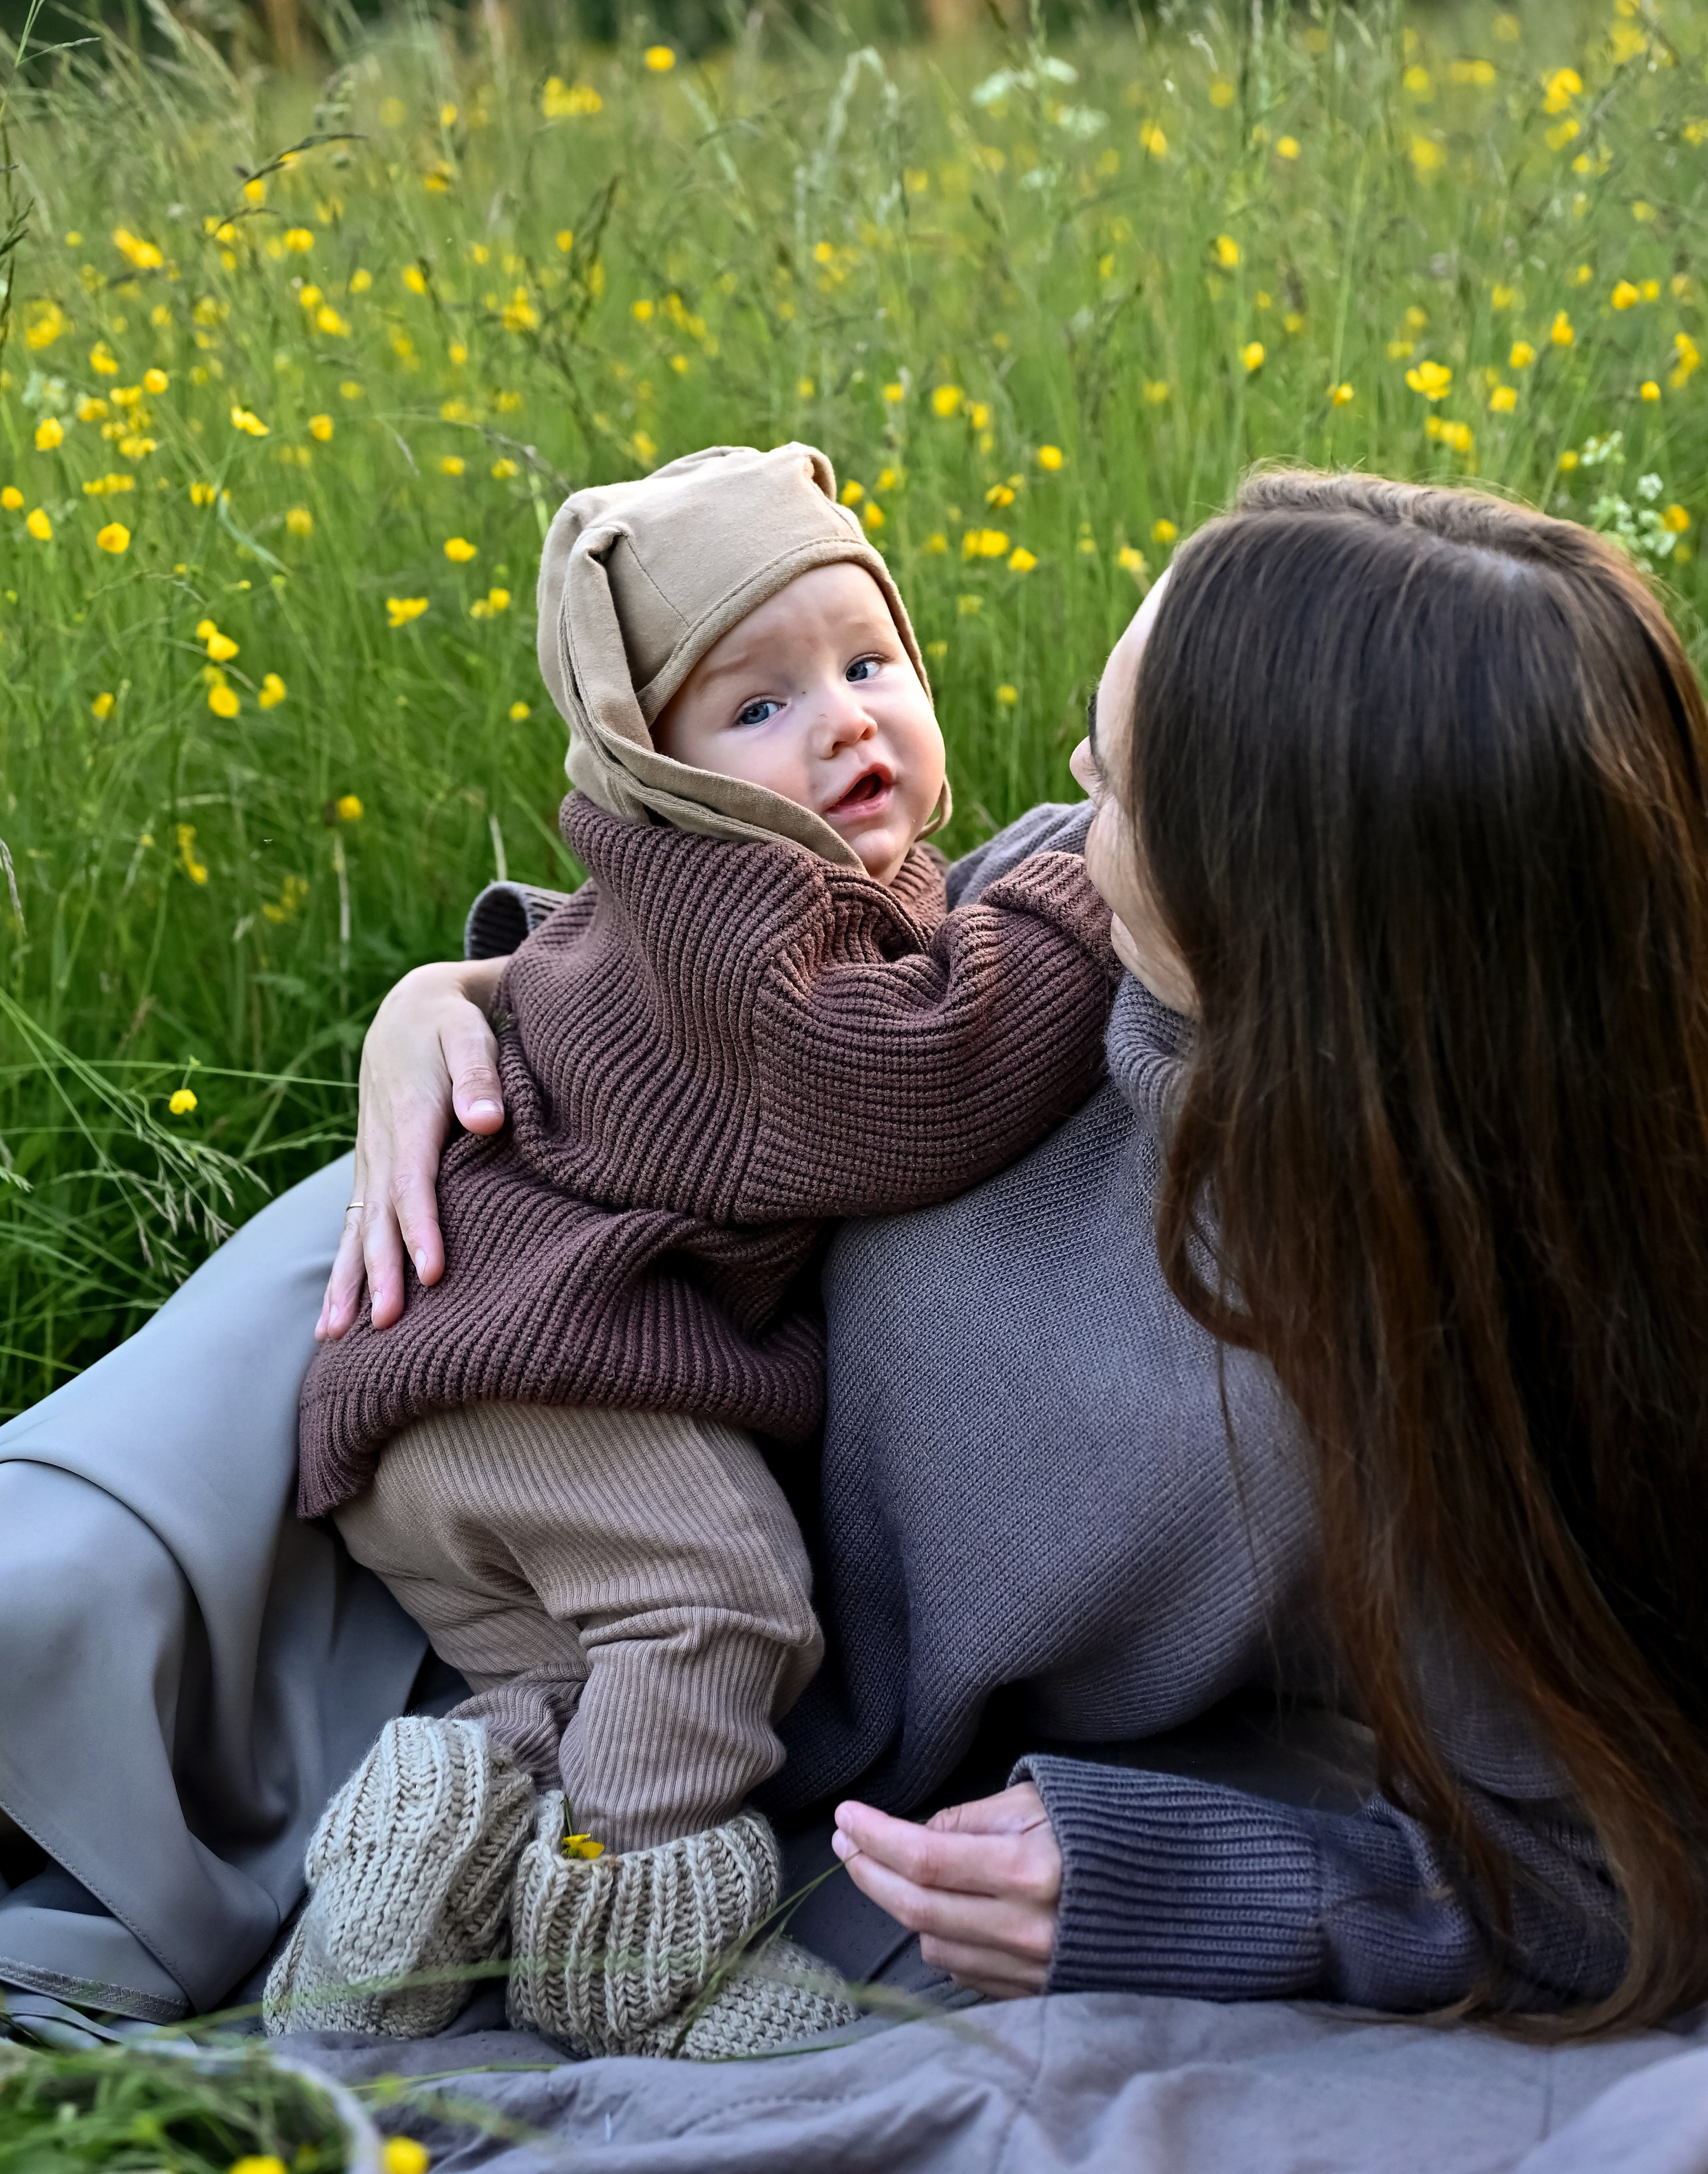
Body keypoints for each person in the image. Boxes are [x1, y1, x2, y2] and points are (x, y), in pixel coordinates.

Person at [321, 470, 1708, 2036]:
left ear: (1277, 902)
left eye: (1116, 783)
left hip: (698, 1703)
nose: (1064, 796)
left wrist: (1195, 1881)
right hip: (526, 1379)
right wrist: (455, 997)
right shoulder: (1073, 933)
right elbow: (739, 1000)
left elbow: (1613, 1874)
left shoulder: (1442, 1352)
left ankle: (550, 1949)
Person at [272, 443, 1118, 2058]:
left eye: (867, 664)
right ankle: (635, 1969)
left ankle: (394, 1904)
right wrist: (1083, 898)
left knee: (594, 1697)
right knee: (721, 1613)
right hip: (553, 1373)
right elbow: (916, 1084)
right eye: (760, 705)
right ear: (650, 764)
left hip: (434, 1391)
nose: (844, 722)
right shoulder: (744, 924)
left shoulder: (699, 888)